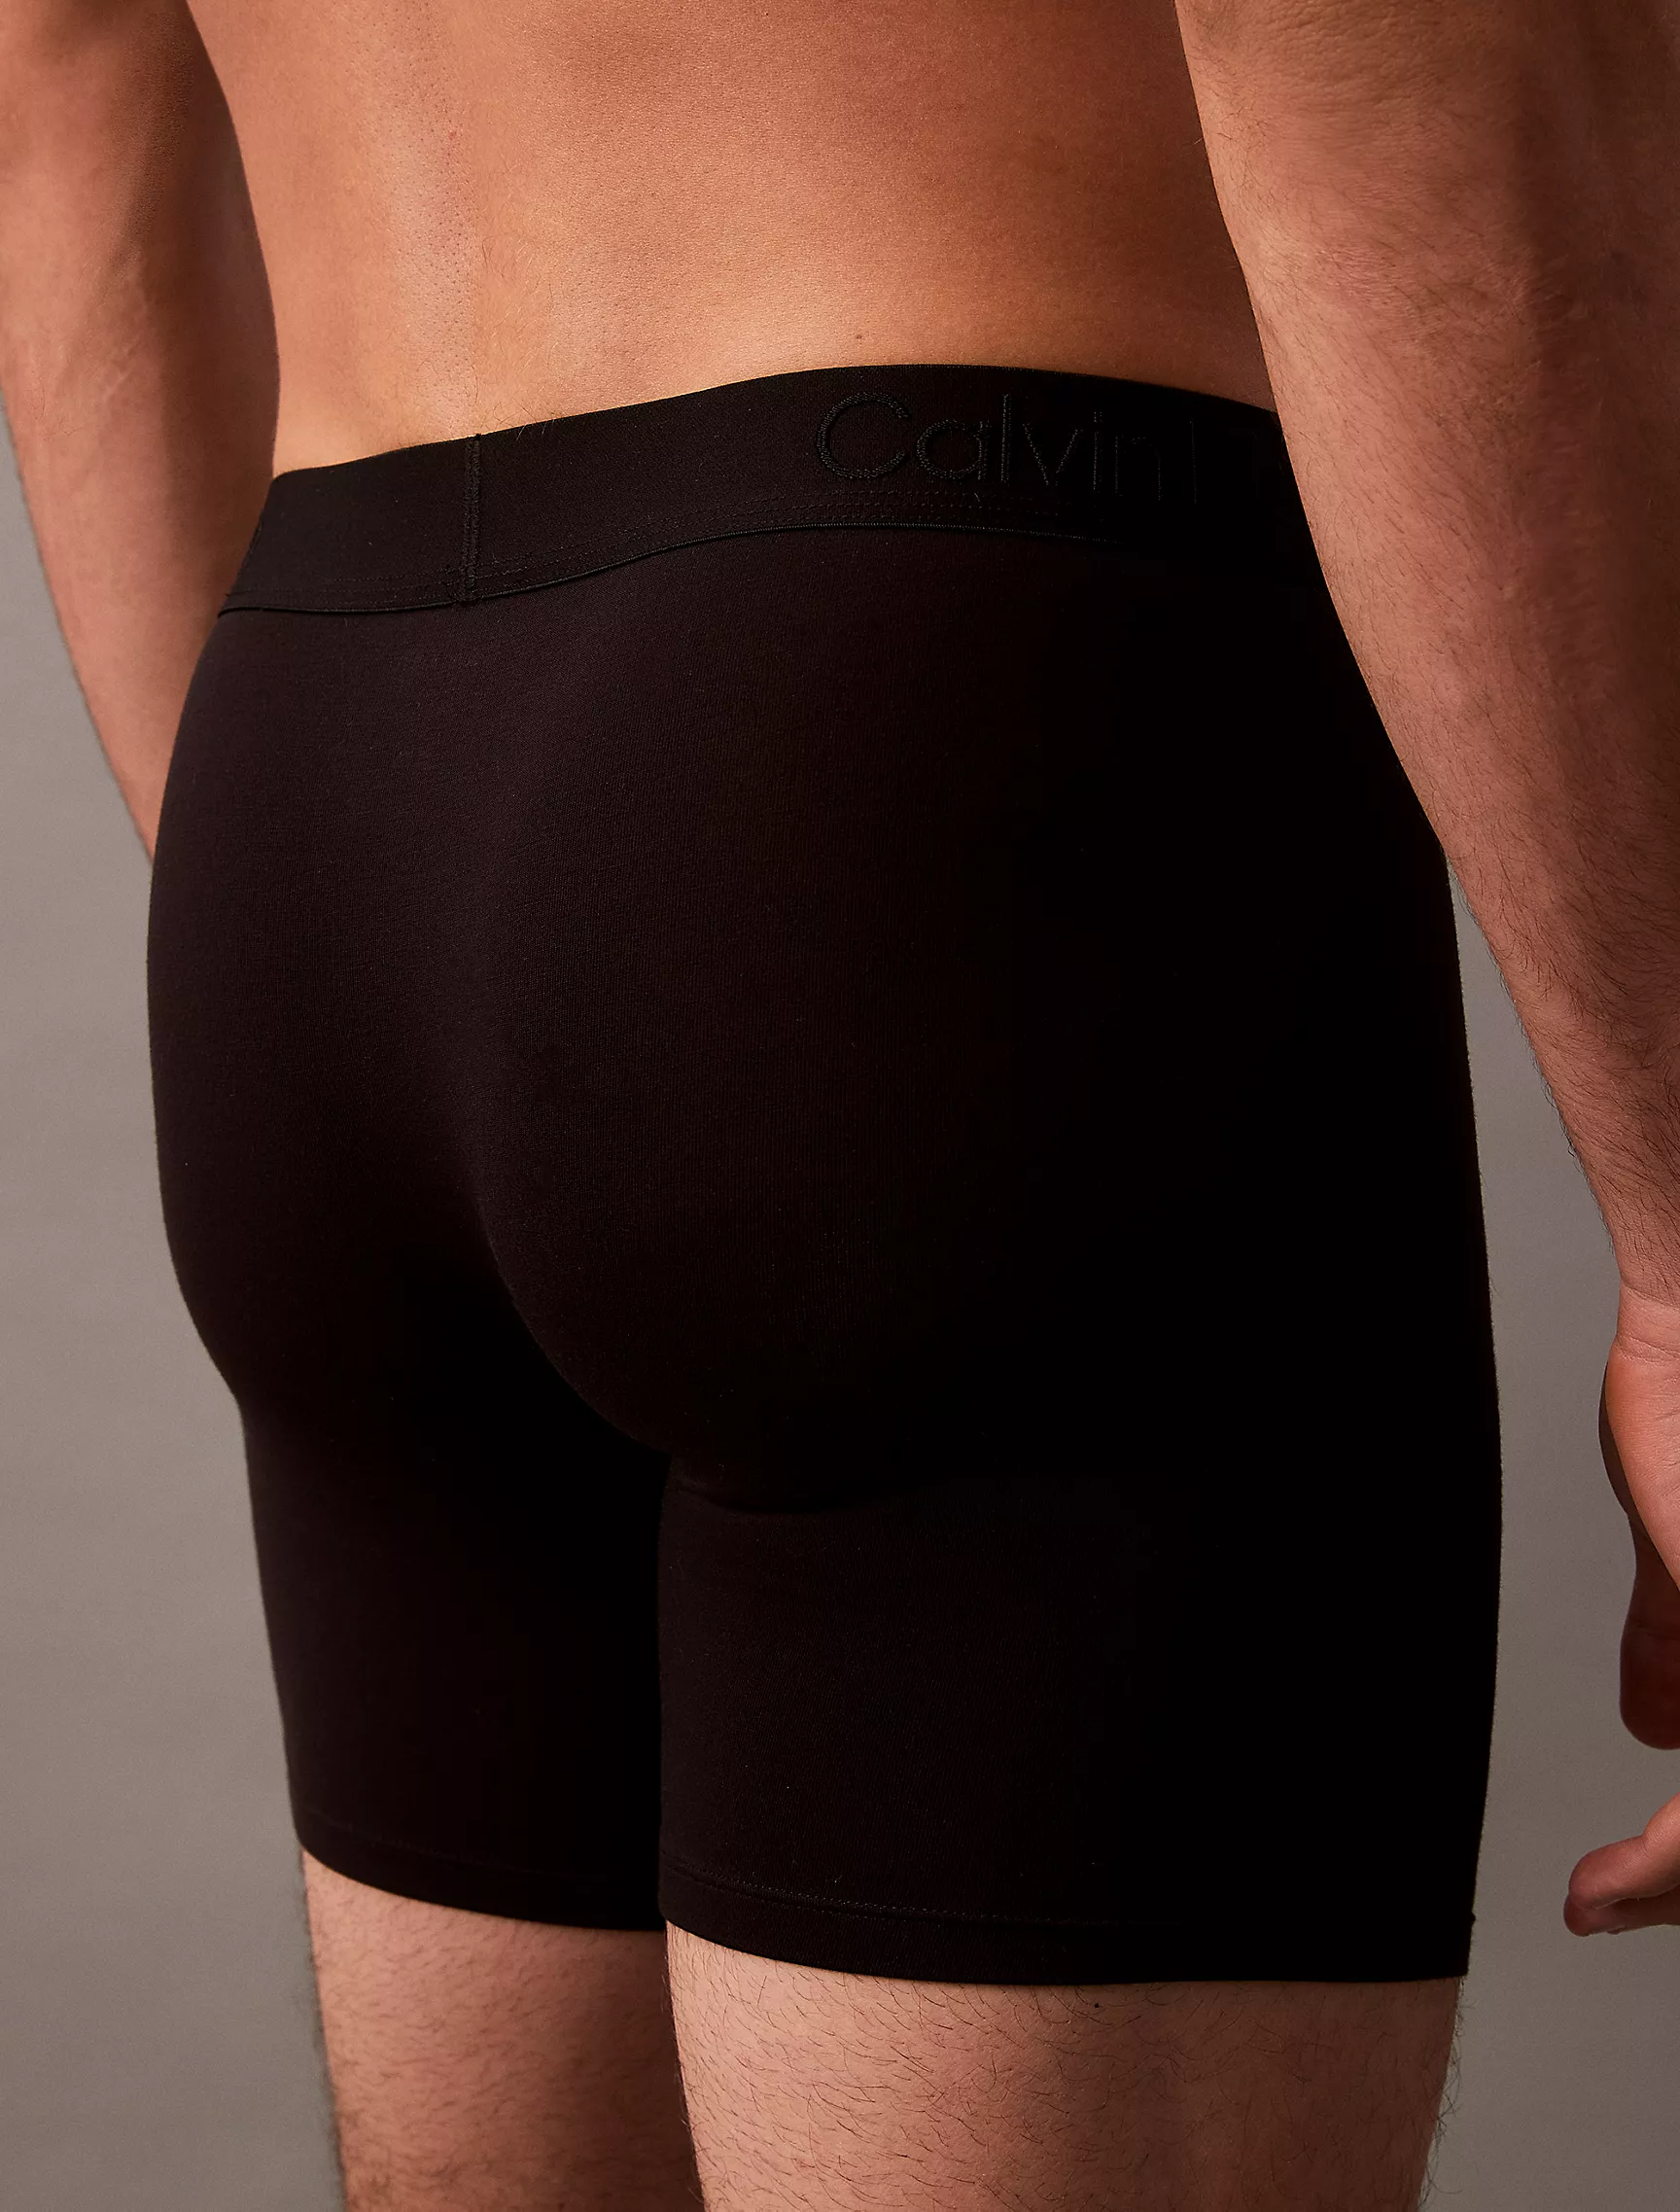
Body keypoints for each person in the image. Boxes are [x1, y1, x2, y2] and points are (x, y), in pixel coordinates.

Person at [2, 0, 1678, 2203]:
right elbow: (1411, 116)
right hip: (954, 747)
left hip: (321, 768)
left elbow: (57, 100)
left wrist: (379, 926)